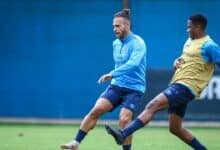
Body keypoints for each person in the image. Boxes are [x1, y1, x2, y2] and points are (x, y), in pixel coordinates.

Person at [105, 14, 220, 150]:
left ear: (199, 27)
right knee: (175, 128)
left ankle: (123, 133)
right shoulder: (190, 41)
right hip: (177, 83)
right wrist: (177, 61)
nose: (187, 30)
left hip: (186, 87)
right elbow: (185, 59)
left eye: (189, 27)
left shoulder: (210, 46)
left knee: (153, 105)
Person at [60, 9, 147, 150]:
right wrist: (114, 77)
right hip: (117, 86)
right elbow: (120, 65)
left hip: (134, 88)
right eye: (113, 26)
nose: (114, 29)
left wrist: (112, 74)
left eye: (118, 26)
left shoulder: (138, 43)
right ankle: (75, 144)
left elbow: (133, 64)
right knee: (96, 110)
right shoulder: (115, 44)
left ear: (127, 25)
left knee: (124, 120)